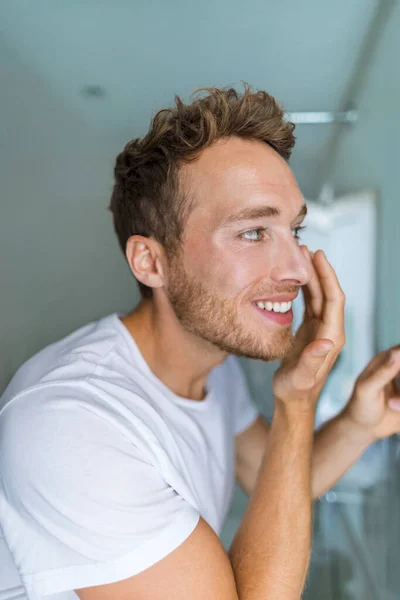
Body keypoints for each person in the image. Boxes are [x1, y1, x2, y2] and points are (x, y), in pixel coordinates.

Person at [0, 85, 399, 600]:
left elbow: (272, 477)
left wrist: (361, 422)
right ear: (150, 261)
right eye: (254, 232)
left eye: (294, 231)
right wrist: (297, 400)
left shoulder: (213, 366)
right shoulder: (70, 423)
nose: (300, 268)